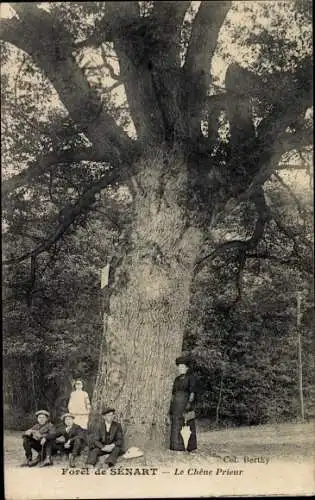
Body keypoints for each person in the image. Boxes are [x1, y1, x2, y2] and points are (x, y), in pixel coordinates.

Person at [169, 355, 197, 452]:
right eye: (179, 367)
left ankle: (191, 447)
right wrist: (172, 405)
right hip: (176, 404)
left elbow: (192, 392)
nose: (180, 369)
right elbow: (173, 393)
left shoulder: (190, 378)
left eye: (182, 366)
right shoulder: (177, 379)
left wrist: (189, 403)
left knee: (188, 424)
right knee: (176, 424)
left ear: (187, 367)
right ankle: (176, 446)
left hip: (185, 403)